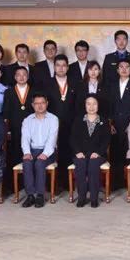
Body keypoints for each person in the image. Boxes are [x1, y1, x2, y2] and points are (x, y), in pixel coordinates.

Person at [43, 54, 77, 188]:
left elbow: (79, 105)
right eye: (58, 65)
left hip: (71, 124)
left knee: (69, 152)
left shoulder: (75, 82)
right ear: (54, 67)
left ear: (67, 67)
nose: (61, 68)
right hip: (52, 124)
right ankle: (53, 185)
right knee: (52, 152)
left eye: (64, 65)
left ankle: (69, 184)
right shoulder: (47, 83)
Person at [71, 94, 111, 208]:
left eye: (94, 104)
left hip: (98, 154)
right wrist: (78, 152)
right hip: (81, 153)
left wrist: (98, 152)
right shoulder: (78, 120)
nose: (91, 107)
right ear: (85, 105)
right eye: (88, 104)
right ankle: (82, 197)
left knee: (93, 165)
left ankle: (94, 198)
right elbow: (73, 138)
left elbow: (106, 140)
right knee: (80, 164)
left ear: (98, 105)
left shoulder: (103, 121)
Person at [20, 93, 59, 208]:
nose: (40, 106)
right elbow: (25, 138)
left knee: (39, 163)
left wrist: (45, 154)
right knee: (27, 163)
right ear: (33, 105)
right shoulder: (27, 120)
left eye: (42, 103)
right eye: (37, 103)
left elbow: (52, 139)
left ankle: (40, 195)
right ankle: (30, 195)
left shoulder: (53, 119)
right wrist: (27, 152)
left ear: (47, 104)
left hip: (49, 151)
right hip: (32, 150)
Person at [108, 59, 130, 190]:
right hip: (115, 125)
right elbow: (108, 106)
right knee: (115, 154)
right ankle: (116, 183)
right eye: (121, 67)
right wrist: (110, 123)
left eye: (127, 67)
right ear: (117, 70)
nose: (124, 69)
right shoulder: (111, 86)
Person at [3, 66, 34, 191]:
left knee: (30, 153)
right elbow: (6, 111)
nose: (21, 77)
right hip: (15, 128)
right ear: (15, 77)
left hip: (32, 128)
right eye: (19, 75)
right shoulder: (9, 92)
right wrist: (8, 130)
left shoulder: (34, 91)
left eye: (24, 74)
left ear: (28, 76)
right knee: (16, 153)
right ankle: (17, 185)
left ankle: (30, 183)